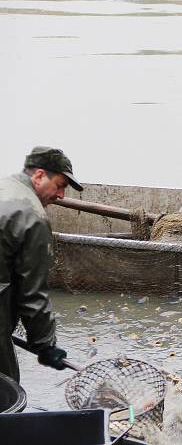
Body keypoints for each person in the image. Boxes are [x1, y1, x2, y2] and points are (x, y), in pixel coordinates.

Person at [0, 146, 83, 382]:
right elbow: (33, 294)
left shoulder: (4, 186)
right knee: (7, 395)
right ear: (38, 176)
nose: (61, 196)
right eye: (59, 186)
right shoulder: (32, 216)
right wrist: (45, 346)